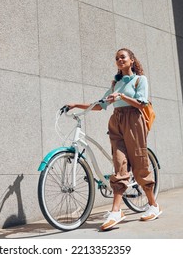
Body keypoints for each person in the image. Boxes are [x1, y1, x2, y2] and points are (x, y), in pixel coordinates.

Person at [67, 48, 162, 231]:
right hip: (116, 121)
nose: (119, 60)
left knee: (139, 164)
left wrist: (122, 96)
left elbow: (142, 103)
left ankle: (153, 205)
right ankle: (116, 211)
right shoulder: (115, 83)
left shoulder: (139, 80)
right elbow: (100, 105)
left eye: (123, 57)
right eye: (117, 58)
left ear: (132, 60)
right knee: (119, 164)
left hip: (134, 120)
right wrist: (76, 104)